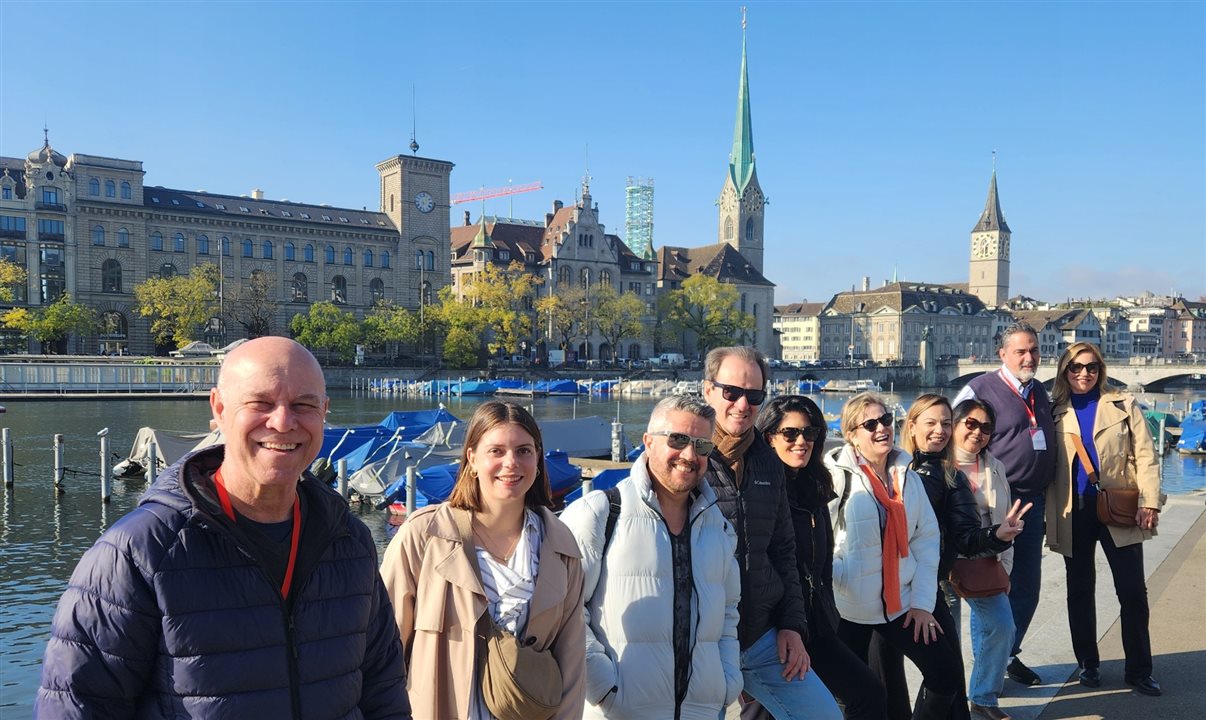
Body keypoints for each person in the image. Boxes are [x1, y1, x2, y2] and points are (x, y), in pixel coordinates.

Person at [35, 337, 410, 719]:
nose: (282, 421)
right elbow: (76, 707)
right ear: (218, 408)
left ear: (324, 412)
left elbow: (384, 692)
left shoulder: (349, 541)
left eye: (303, 405)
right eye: (260, 403)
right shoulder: (137, 553)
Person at [381, 401, 586, 719]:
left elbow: (572, 663)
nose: (511, 463)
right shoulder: (423, 536)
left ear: (538, 458)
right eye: (497, 451)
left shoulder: (560, 546)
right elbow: (383, 650)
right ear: (472, 458)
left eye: (523, 451)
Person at [561, 395, 742, 719]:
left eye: (702, 446)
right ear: (648, 442)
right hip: (620, 710)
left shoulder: (720, 529)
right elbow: (564, 612)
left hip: (702, 710)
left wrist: (727, 682)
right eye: (678, 439)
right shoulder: (599, 514)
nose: (690, 455)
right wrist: (604, 687)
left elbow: (728, 615)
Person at [701, 346, 842, 720]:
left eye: (754, 396)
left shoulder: (767, 461)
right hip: (704, 640)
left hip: (761, 634)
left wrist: (792, 626)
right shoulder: (689, 458)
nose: (742, 404)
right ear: (707, 391)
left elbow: (783, 552)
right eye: (731, 392)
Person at [870, 394, 1022, 720]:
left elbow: (965, 538)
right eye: (932, 423)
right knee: (883, 677)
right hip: (877, 589)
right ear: (911, 425)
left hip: (926, 585)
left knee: (948, 673)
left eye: (945, 424)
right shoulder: (889, 464)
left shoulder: (951, 475)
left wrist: (996, 536)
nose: (940, 430)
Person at [742, 395, 887, 720]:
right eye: (790, 433)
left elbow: (820, 565)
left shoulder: (814, 486)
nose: (801, 441)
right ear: (769, 437)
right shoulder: (762, 490)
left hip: (814, 623)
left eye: (810, 433)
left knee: (867, 693)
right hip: (775, 629)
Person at [823, 391, 962, 720]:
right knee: (855, 696)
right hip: (850, 608)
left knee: (946, 675)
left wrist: (922, 604)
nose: (881, 428)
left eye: (885, 420)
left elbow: (926, 540)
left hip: (900, 603)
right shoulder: (835, 477)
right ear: (852, 435)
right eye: (869, 424)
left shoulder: (907, 478)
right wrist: (841, 578)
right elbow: (818, 540)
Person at [1047, 343, 1163, 696]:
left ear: (1102, 369)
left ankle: (1140, 669)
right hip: (1073, 509)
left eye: (1092, 367)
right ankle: (1088, 664)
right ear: (1064, 370)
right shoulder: (1053, 411)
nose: (1084, 374)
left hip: (1120, 505)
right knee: (1079, 590)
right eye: (1076, 367)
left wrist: (1150, 502)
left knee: (1132, 591)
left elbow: (1146, 456)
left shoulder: (1123, 404)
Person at [952, 322, 1055, 686]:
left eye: (1034, 350)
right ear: (1003, 354)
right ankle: (987, 675)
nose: (1029, 358)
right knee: (988, 588)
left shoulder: (1039, 390)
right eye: (1021, 351)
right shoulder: (979, 388)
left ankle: (1007, 656)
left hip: (1031, 502)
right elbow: (954, 436)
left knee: (1027, 587)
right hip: (991, 502)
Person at [951, 399, 1029, 719]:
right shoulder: (935, 465)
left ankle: (983, 696)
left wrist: (1005, 568)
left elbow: (1005, 520)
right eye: (970, 423)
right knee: (945, 639)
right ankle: (948, 703)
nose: (977, 432)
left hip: (983, 558)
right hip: (943, 562)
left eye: (986, 428)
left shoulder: (994, 467)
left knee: (1001, 626)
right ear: (954, 424)